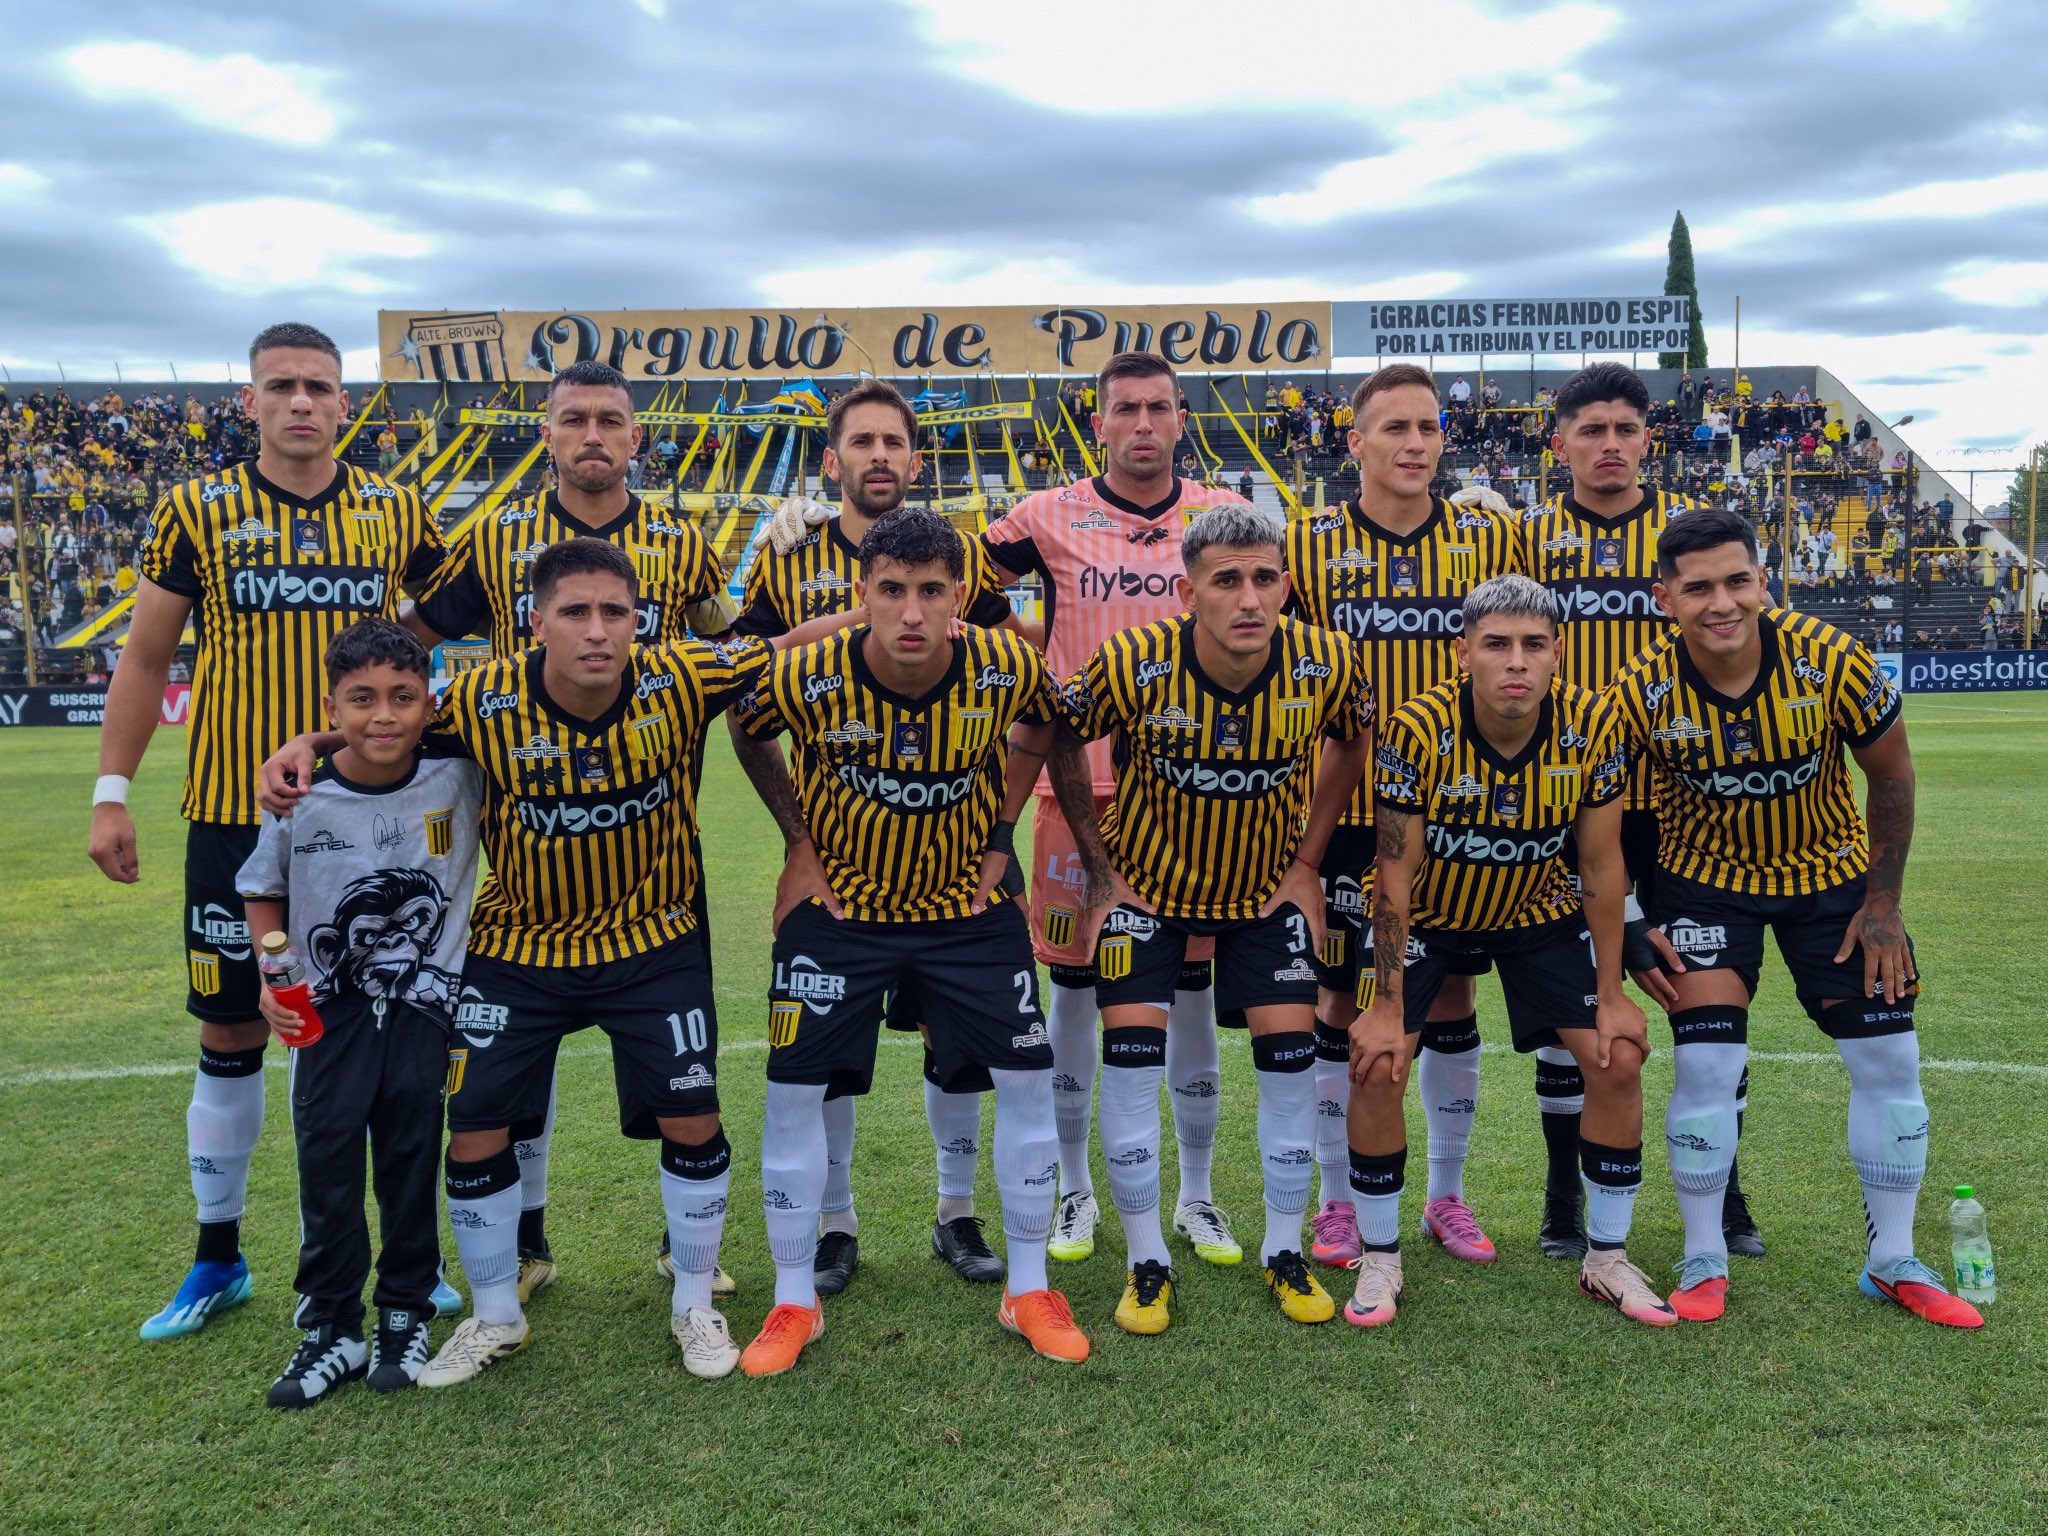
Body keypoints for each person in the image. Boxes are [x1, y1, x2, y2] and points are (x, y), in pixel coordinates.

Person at [265, 538, 788, 1380]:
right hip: (521, 947)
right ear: (536, 623)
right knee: (475, 1128)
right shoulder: (484, 697)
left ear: (639, 620)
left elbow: (792, 644)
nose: (596, 630)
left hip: (653, 942)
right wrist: (308, 742)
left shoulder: (682, 676)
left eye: (614, 612)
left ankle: (694, 1304)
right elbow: (390, 721)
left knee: (692, 1116)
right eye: (575, 612)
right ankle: (495, 1317)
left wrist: (888, 617)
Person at [88, 322, 451, 1341]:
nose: (301, 401)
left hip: (367, 823)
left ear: (345, 405)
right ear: (248, 402)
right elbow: (147, 658)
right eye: (281, 385)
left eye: (319, 387)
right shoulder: (195, 508)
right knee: (233, 1028)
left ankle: (397, 1262)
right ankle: (218, 1256)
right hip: (229, 812)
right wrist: (110, 792)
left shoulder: (395, 509)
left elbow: (462, 606)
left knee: (380, 1024)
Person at [405, 359, 736, 1306]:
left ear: (636, 437)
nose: (593, 435)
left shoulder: (681, 541)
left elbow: (729, 645)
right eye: (574, 419)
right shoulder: (495, 535)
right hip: (525, 834)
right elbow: (416, 637)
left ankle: (685, 1252)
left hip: (654, 848)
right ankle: (524, 1241)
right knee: (511, 1060)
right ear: (547, 433)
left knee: (679, 1073)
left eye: (610, 420)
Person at [731, 509, 1088, 1373]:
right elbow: (747, 724)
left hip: (964, 907)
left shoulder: (1004, 663)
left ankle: (1029, 1288)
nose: (913, 613)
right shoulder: (810, 670)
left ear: (960, 596)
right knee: (793, 1090)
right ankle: (793, 1299)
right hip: (842, 908)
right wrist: (799, 841)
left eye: (932, 591)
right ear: (863, 593)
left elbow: (1047, 724)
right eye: (892, 590)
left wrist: (1001, 832)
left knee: (1026, 1082)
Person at [1610, 508, 1980, 1328]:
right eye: (1698, 588)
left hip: (1833, 880)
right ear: (1665, 598)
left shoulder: (1830, 658)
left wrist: (1883, 904)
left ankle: (1892, 1261)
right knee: (1707, 1067)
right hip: (1704, 885)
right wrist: (1632, 918)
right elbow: (1600, 816)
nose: (1721, 603)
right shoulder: (1640, 690)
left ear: (1763, 581)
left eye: (1737, 581)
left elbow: (1891, 777)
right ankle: (1703, 1256)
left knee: (1890, 1060)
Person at [732, 379, 1023, 1290]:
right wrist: (857, 619)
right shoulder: (788, 555)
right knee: (826, 1058)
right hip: (844, 859)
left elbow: (1016, 673)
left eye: (894, 441)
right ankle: (835, 1223)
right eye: (862, 442)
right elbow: (741, 679)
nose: (880, 456)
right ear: (832, 461)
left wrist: (1001, 834)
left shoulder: (959, 555)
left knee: (957, 1043)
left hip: (956, 855)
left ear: (916, 458)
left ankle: (956, 1212)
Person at [1053, 504, 1371, 1333]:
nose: (1249, 598)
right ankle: (1146, 1259)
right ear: (1188, 592)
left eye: (1265, 578)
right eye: (1227, 580)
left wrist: (1307, 862)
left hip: (1264, 898)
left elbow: (1352, 739)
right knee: (1130, 1070)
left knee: (1290, 1069)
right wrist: (1099, 871)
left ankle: (1283, 1249)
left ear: (1286, 586)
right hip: (1147, 896)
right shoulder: (1134, 661)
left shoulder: (1327, 661)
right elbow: (1056, 733)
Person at [980, 351, 1254, 1272]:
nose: (1143, 423)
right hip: (1077, 791)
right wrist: (1035, 645)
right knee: (1072, 992)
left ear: (1181, 419)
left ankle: (1197, 1193)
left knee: (1189, 990)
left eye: (1158, 408)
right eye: (1125, 409)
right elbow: (954, 577)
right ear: (1098, 423)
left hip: (1194, 797)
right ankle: (1075, 1187)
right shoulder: (1045, 515)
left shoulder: (1221, 514)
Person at [1343, 575, 1674, 1328]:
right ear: (1464, 653)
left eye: (1533, 644)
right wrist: (1386, 1005)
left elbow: (1600, 864)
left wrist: (1613, 993)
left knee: (1619, 1056)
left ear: (1559, 652)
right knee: (1379, 1061)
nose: (1516, 661)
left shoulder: (1592, 725)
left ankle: (1606, 1258)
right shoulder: (1416, 727)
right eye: (1496, 644)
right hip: (1429, 914)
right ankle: (1381, 1255)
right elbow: (1394, 871)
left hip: (1537, 909)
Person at [1521, 362, 1767, 1259]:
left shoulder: (1690, 537)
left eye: (1626, 428)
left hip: (1681, 811)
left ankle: (1726, 1193)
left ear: (1648, 438)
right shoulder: (1524, 540)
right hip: (1568, 809)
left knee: (1707, 1010)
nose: (1610, 445)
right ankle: (1564, 1198)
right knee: (1577, 1016)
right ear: (1560, 443)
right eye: (1591, 430)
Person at [1282, 363, 1525, 1270]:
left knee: (1453, 993)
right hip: (1350, 812)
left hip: (1462, 809)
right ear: (1355, 443)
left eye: (1428, 427)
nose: (1416, 443)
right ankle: (1337, 1201)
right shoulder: (1306, 545)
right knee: (1341, 1000)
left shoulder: (1490, 538)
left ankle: (1446, 1197)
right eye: (1395, 428)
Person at [237, 620, 484, 1405]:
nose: (384, 716)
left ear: (429, 705)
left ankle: (405, 1311)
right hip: (325, 1015)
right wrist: (271, 976)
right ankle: (332, 1326)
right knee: (328, 1157)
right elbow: (262, 890)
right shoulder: (300, 796)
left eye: (403, 698)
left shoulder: (461, 773)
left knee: (411, 1153)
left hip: (425, 1009)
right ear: (331, 707)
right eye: (362, 699)